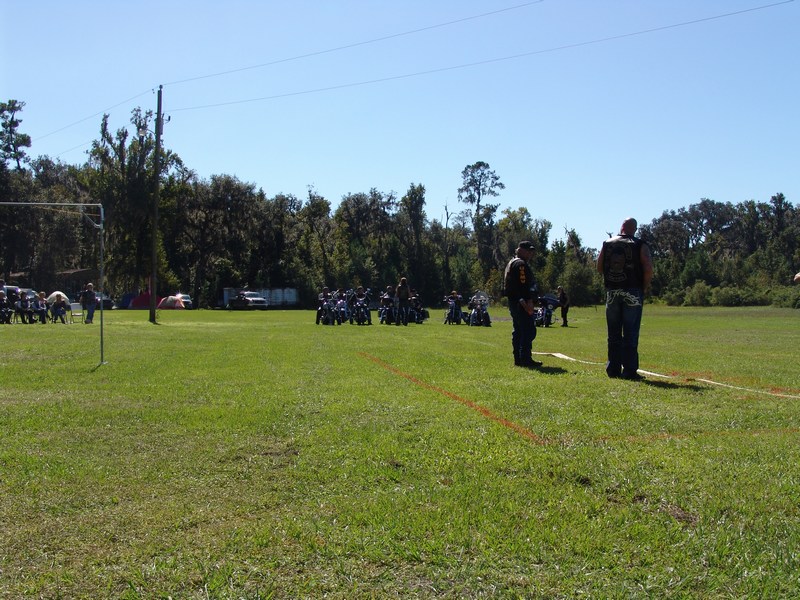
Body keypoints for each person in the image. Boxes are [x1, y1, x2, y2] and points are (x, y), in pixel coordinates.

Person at [596, 217, 654, 380]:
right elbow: (648, 267)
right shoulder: (639, 244)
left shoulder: (607, 243)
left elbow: (599, 267)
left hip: (612, 292)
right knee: (630, 332)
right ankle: (629, 370)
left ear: (621, 227)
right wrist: (644, 286)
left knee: (613, 333)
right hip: (633, 291)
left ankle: (613, 368)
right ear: (635, 229)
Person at [503, 241, 541, 368]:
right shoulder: (520, 264)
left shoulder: (512, 262)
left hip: (514, 302)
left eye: (531, 251)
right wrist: (527, 302)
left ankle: (518, 359)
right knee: (528, 330)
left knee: (518, 331)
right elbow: (523, 286)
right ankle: (525, 359)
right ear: (520, 250)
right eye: (528, 251)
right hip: (521, 302)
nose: (530, 254)